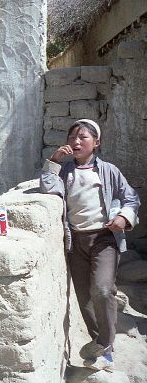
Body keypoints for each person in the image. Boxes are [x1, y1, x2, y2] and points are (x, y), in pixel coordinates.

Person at [40, 119, 139, 372]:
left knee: (103, 290)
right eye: (72, 137)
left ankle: (105, 345)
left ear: (97, 142)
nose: (75, 142)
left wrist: (123, 217)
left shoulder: (109, 171)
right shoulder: (65, 171)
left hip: (104, 238)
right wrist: (53, 161)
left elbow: (131, 198)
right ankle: (103, 347)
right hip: (76, 241)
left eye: (83, 137)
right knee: (85, 298)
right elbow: (47, 188)